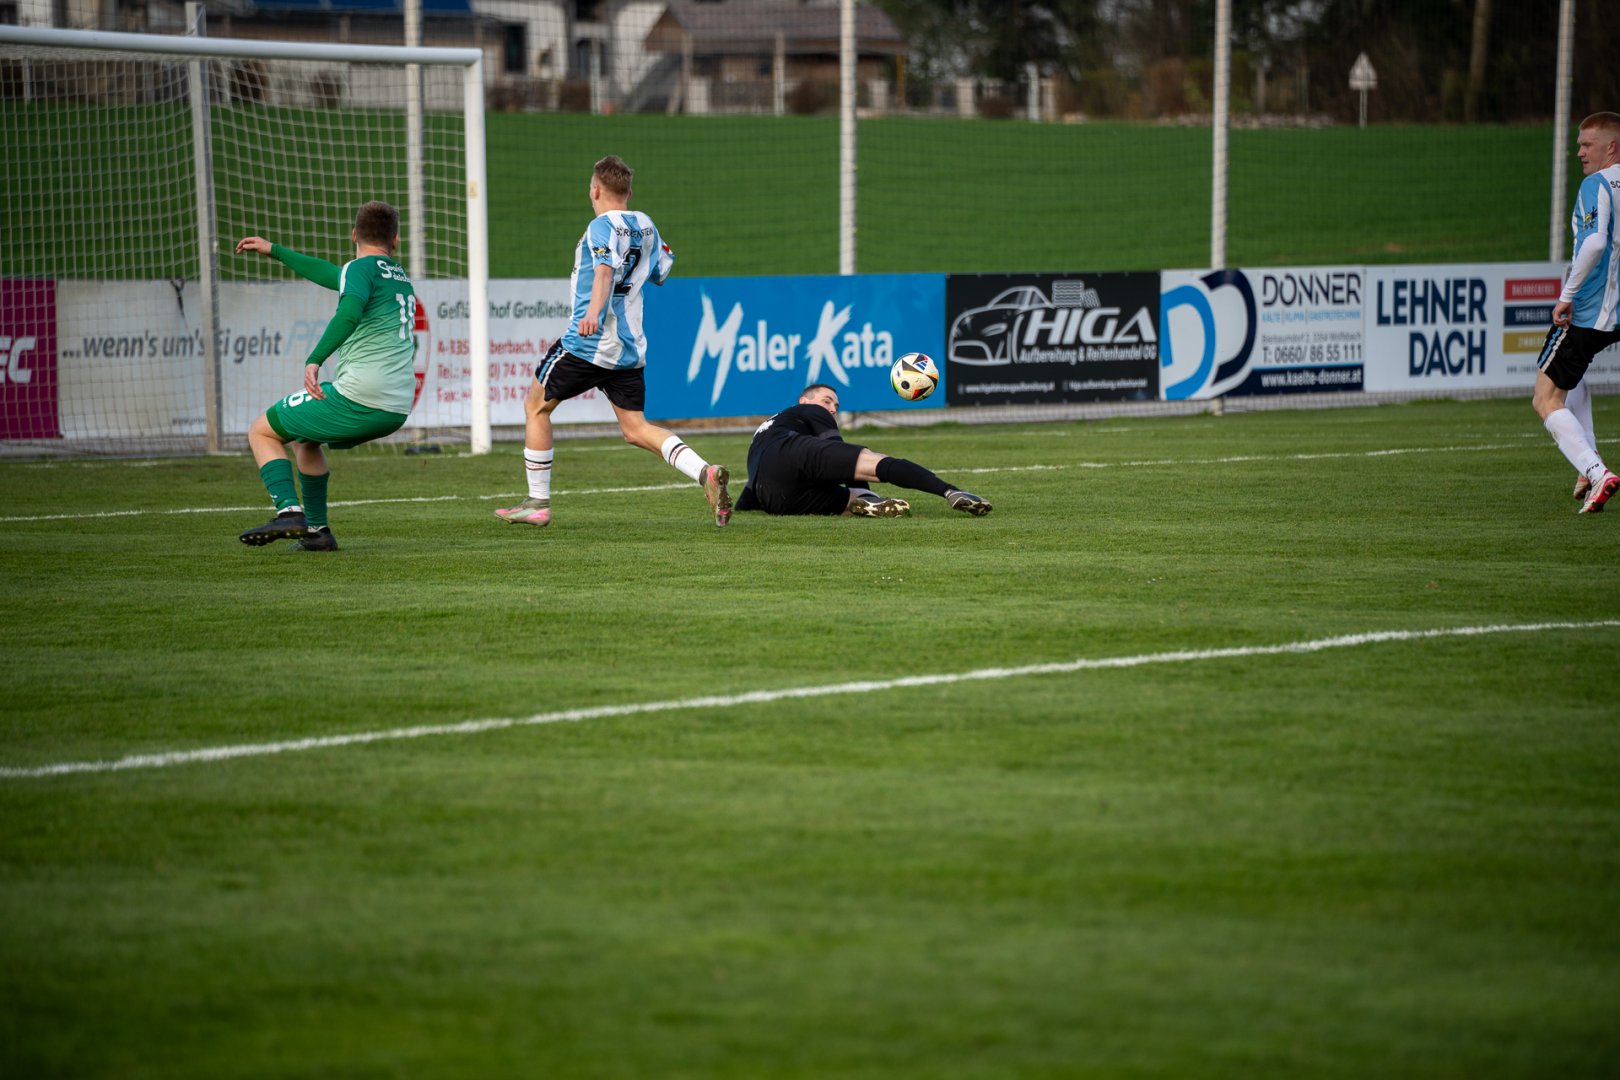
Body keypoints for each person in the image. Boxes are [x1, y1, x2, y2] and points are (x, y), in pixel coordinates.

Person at [495, 155, 732, 528]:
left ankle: (537, 503)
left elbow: (604, 272)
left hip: (588, 343)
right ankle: (705, 472)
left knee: (536, 406)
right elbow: (662, 271)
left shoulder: (599, 227)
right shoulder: (646, 225)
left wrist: (593, 312)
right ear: (629, 193)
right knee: (635, 428)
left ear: (595, 190)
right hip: (629, 348)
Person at [234, 200, 418, 550]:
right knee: (305, 440)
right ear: (395, 240)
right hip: (396, 406)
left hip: (361, 395)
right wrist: (274, 250)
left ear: (353, 234)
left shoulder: (360, 270)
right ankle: (318, 533)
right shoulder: (396, 274)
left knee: (261, 431)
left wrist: (315, 359)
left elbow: (349, 313)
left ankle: (289, 512)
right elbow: (330, 274)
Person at [733, 383, 992, 518]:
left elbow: (752, 484)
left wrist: (742, 506)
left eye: (836, 406)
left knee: (850, 499)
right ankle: (950, 491)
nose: (832, 409)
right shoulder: (811, 410)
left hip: (774, 498)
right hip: (791, 455)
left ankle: (863, 503)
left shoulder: (765, 429)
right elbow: (839, 456)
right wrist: (866, 483)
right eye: (827, 401)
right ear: (804, 401)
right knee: (873, 462)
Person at [1536, 111, 1620, 514]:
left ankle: (1596, 471)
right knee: (1575, 374)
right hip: (1616, 313)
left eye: (1587, 144)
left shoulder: (1596, 184)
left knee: (1545, 398)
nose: (1580, 152)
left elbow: (1595, 244)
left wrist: (1566, 295)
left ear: (1612, 147)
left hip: (1590, 311)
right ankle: (1589, 465)